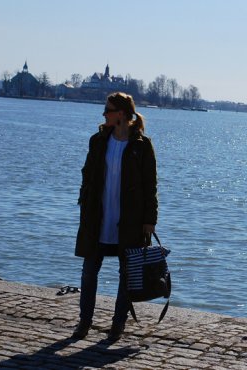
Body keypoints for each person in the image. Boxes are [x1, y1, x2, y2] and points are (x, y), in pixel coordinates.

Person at [72, 92, 158, 341]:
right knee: (89, 271)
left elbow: (150, 185)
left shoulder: (142, 145)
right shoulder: (98, 140)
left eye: (107, 110)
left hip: (129, 220)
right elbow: (87, 175)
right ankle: (84, 323)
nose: (103, 114)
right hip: (97, 217)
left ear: (121, 113)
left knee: (127, 274)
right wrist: (84, 204)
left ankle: (117, 325)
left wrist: (149, 220)